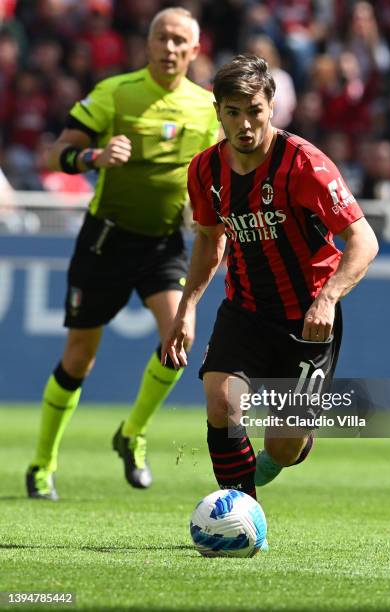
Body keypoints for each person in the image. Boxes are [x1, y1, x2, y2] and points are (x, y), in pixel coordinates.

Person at [163, 55, 378, 500]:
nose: (244, 124)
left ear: (271, 107)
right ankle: (240, 517)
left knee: (282, 444)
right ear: (218, 111)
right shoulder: (204, 170)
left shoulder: (304, 165)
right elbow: (209, 240)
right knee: (221, 404)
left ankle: (288, 446)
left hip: (307, 319)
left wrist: (328, 299)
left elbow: (364, 242)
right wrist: (186, 308)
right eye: (233, 112)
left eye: (254, 110)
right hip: (244, 308)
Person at [26, 7, 219, 501]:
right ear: (147, 44)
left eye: (180, 40)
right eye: (162, 38)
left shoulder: (207, 109)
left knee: (179, 338)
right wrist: (93, 157)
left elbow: (219, 177)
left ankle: (132, 432)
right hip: (106, 240)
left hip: (162, 243)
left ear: (195, 51)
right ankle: (43, 463)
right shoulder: (116, 93)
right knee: (79, 358)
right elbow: (54, 153)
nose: (170, 47)